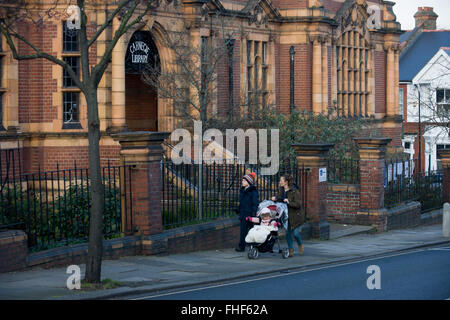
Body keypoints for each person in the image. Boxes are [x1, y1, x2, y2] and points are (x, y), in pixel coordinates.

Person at [272, 175, 304, 257]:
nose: (280, 182)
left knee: (296, 234)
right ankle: (291, 250)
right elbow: (279, 200)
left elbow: (298, 204)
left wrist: (289, 201)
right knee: (288, 233)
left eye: (281, 180)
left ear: (286, 182)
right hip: (287, 215)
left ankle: (300, 245)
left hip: (296, 216)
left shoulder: (294, 191)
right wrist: (275, 199)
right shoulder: (281, 190)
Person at [235, 172, 258, 252]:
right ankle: (242, 247)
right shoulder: (242, 190)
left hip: (250, 214)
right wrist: (238, 208)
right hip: (243, 213)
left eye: (244, 181)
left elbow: (255, 203)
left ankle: (255, 246)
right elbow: (242, 202)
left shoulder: (253, 191)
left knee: (252, 230)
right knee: (243, 231)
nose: (242, 182)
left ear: (249, 182)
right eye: (242, 180)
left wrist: (253, 212)